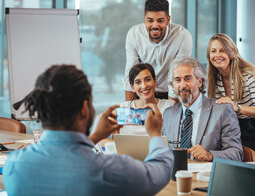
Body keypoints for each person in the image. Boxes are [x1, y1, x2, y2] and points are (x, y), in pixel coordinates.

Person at [3, 65, 173, 196]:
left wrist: (95, 137)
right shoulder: (109, 169)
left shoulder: (14, 165)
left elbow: (66, 160)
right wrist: (155, 133)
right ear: (85, 109)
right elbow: (160, 171)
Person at [206, 33, 255, 169]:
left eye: (223, 50)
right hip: (240, 124)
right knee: (238, 167)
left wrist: (236, 107)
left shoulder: (249, 74)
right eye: (213, 51)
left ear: (232, 53)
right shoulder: (214, 78)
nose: (217, 55)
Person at [163, 57, 243, 161]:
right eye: (177, 80)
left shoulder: (223, 110)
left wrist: (209, 155)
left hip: (206, 175)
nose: (182, 85)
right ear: (173, 85)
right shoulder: (168, 114)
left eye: (188, 79)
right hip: (176, 175)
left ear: (199, 82)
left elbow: (237, 153)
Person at [124, 0, 192, 101]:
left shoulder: (182, 36)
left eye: (160, 20)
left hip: (171, 93)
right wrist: (130, 108)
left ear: (168, 19)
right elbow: (131, 73)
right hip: (143, 92)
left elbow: (177, 73)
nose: (155, 25)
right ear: (144, 19)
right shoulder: (134, 34)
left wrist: (170, 110)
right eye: (150, 20)